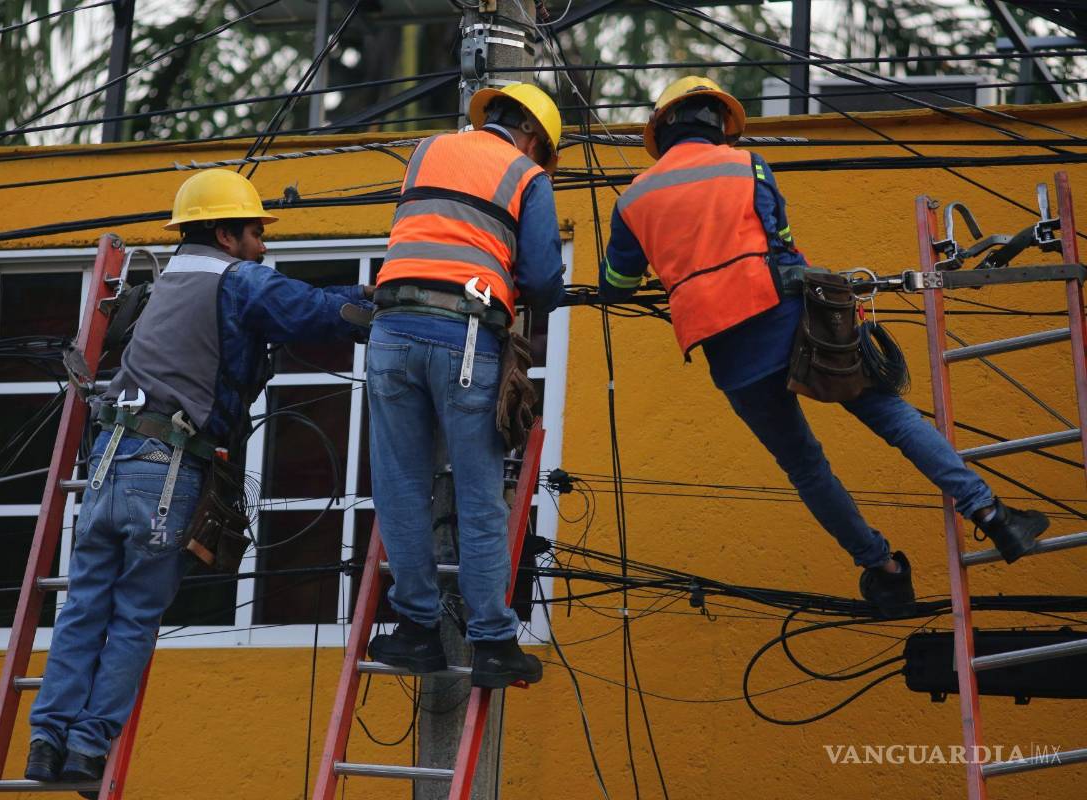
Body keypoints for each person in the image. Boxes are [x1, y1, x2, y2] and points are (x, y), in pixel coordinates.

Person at [598, 76, 1049, 618]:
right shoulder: (749, 166)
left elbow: (615, 287)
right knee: (890, 415)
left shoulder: (635, 198)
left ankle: (880, 568)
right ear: (719, 123)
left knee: (805, 468)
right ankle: (994, 516)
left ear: (662, 127)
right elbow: (780, 241)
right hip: (793, 321)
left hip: (729, 354)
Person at [25, 169, 373, 790]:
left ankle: (45, 744)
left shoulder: (164, 281)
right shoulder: (238, 283)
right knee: (133, 616)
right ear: (224, 232)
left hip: (107, 461)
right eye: (256, 234)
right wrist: (390, 294)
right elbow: (324, 313)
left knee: (81, 609)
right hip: (165, 472)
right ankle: (85, 751)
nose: (264, 246)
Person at [365, 83, 565, 687]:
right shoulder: (527, 176)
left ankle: (417, 631)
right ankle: (494, 644)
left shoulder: (426, 150)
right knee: (480, 500)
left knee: (400, 488)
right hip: (466, 337)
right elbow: (544, 279)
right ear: (534, 137)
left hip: (391, 329)